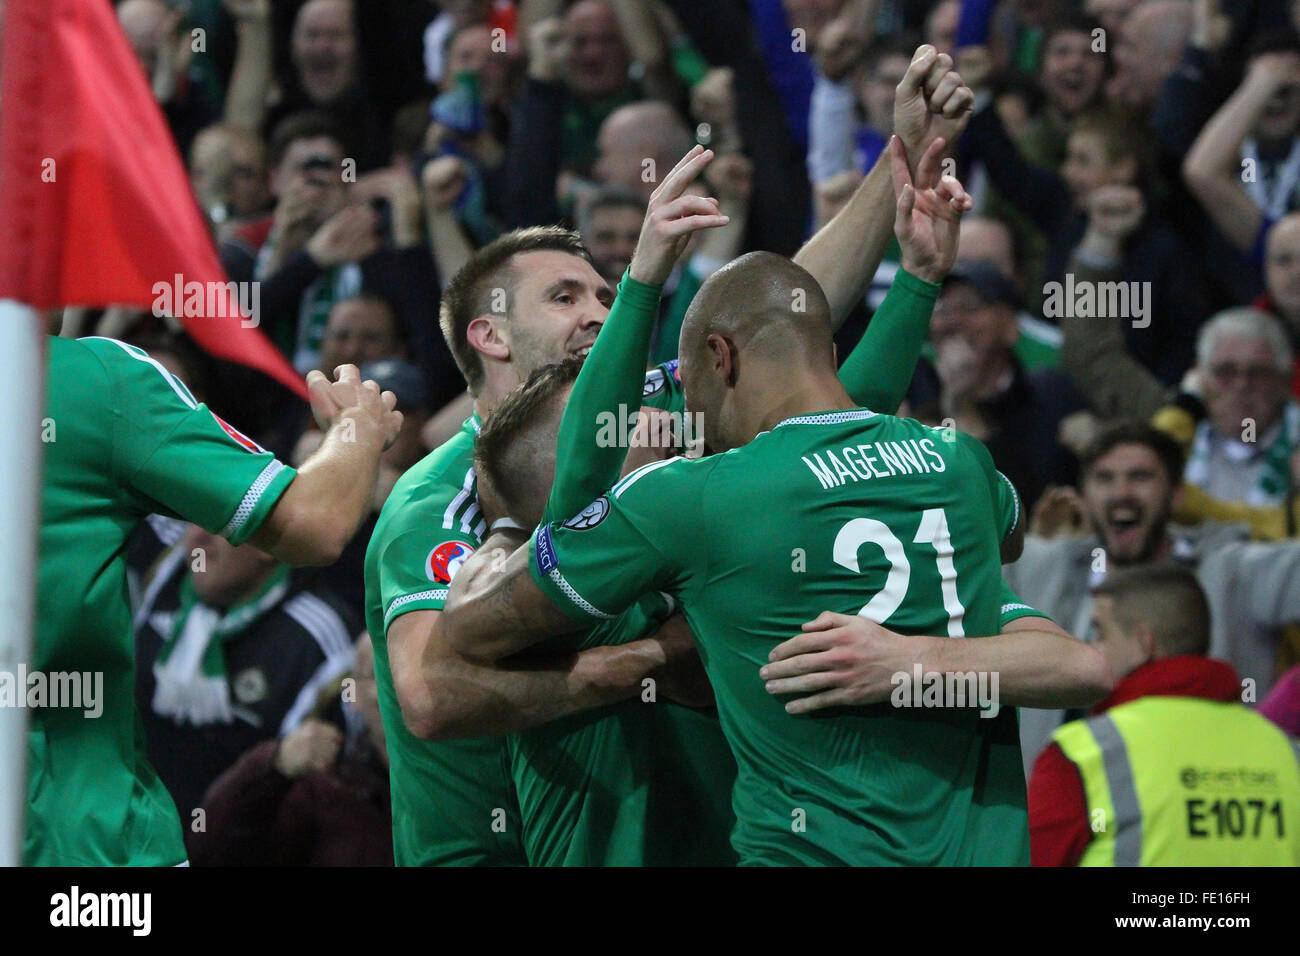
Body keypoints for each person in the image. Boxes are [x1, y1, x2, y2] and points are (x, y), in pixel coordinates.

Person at [31, 335, 400, 866]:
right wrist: (358, 429)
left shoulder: (310, 636)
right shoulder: (95, 378)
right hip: (87, 849)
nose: (198, 542)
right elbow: (315, 521)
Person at [1005, 422, 1300, 774]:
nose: (1121, 492)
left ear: (1176, 494)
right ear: (1083, 497)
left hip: (1202, 800)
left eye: (1140, 477)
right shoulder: (1047, 567)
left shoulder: (1230, 569)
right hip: (1067, 804)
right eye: (1104, 479)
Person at [1029, 565, 1300, 866]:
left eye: (1100, 633)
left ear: (1145, 644)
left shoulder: (1084, 755)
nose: (1091, 649)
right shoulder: (1287, 752)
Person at [133, 524, 357, 842]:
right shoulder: (163, 573)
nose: (196, 539)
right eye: (190, 516)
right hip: (137, 843)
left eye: (216, 522)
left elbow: (323, 810)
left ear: (268, 543)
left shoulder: (317, 641)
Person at [188, 631, 393, 866]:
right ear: (354, 692)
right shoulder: (328, 785)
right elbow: (209, 851)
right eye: (382, 672)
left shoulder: (443, 783)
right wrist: (273, 764)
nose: (401, 687)